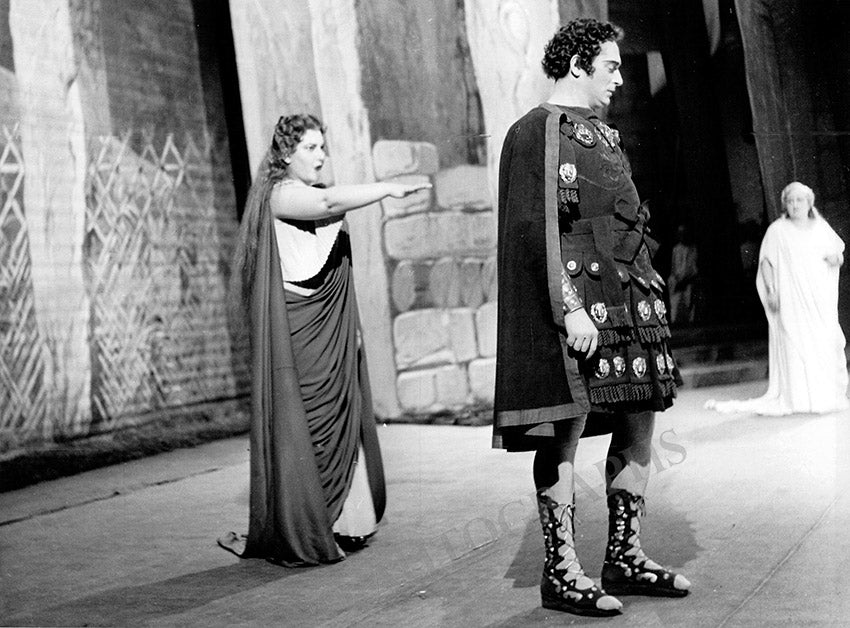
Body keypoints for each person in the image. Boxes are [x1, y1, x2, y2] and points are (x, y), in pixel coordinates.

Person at [494, 19, 690, 617]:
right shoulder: (536, 129)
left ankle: (624, 556)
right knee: (566, 429)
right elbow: (534, 226)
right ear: (578, 65)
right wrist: (570, 307)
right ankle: (561, 571)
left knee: (639, 420)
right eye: (611, 66)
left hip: (629, 298)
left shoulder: (600, 130)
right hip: (583, 300)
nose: (620, 78)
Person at [219, 114, 431, 566]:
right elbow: (329, 202)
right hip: (301, 328)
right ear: (285, 153)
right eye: (310, 148)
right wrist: (386, 188)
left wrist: (350, 328)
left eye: (322, 147)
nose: (321, 157)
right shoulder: (280, 195)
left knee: (339, 414)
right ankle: (312, 522)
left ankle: (346, 522)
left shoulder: (307, 191)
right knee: (313, 421)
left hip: (328, 327)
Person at [707, 182, 849, 416]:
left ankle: (823, 396)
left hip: (817, 299)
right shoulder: (778, 230)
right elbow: (766, 262)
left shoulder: (821, 227)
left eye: (799, 200)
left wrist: (836, 259)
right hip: (791, 298)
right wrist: (772, 290)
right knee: (795, 343)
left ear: (809, 203)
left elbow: (836, 254)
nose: (795, 205)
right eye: (790, 201)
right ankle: (799, 400)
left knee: (821, 342)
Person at [668, 224, 699, 324]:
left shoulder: (693, 248)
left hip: (689, 280)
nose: (682, 236)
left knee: (689, 301)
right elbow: (673, 267)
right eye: (680, 234)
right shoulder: (676, 249)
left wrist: (686, 279)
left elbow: (693, 267)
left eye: (684, 233)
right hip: (677, 281)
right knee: (675, 304)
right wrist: (677, 280)